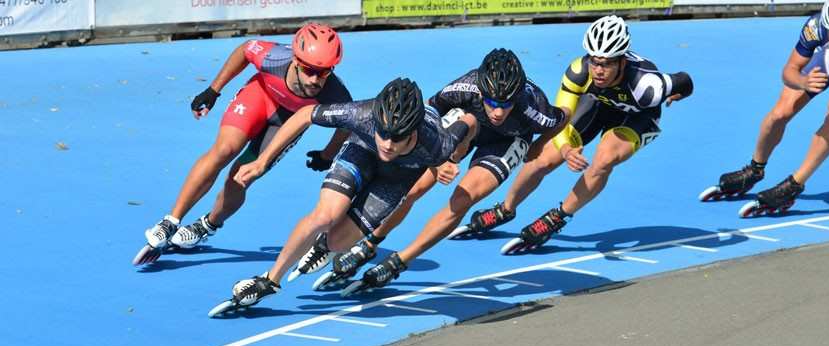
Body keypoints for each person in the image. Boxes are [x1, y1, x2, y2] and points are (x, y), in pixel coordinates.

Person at [209, 78, 478, 314]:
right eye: (383, 133)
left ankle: (324, 247)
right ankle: (270, 280)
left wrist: (455, 156)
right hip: (360, 152)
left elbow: (470, 120)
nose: (387, 143)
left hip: (396, 180)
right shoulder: (362, 114)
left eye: (397, 138)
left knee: (338, 242)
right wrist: (263, 161)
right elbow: (305, 114)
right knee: (325, 216)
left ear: (414, 131)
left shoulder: (438, 143)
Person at [326, 48, 568, 296]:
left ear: (516, 98)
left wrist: (537, 145)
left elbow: (564, 117)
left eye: (505, 104)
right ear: (481, 90)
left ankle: (400, 261)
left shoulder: (535, 108)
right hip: (464, 128)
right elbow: (426, 116)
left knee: (463, 199)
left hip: (507, 141)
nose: (497, 111)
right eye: (492, 102)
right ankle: (369, 243)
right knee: (413, 187)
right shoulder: (466, 86)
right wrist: (438, 161)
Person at [457, 15, 693, 255]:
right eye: (595, 61)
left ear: (622, 62)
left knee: (604, 159)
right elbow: (560, 120)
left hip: (637, 117)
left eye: (607, 64)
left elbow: (685, 80)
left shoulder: (648, 86)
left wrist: (678, 94)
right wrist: (566, 149)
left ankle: (559, 216)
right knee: (544, 158)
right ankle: (506, 209)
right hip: (597, 106)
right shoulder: (579, 71)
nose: (599, 70)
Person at [133, 23, 352, 266]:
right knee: (224, 150)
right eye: (309, 70)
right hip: (260, 96)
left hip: (288, 123)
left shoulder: (336, 94)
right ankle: (170, 221)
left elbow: (345, 124)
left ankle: (208, 224)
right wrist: (213, 90)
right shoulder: (273, 57)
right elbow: (245, 50)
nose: (315, 79)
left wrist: (327, 154)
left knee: (241, 176)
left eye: (323, 72)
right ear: (296, 60)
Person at [700, 0, 829, 217]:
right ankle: (754, 169)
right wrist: (802, 82)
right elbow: (789, 70)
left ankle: (794, 185)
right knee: (780, 113)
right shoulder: (816, 26)